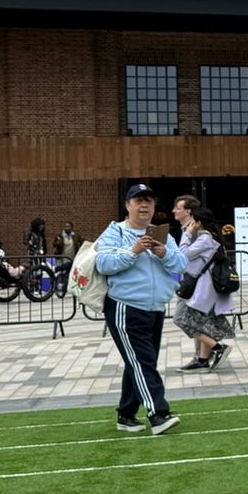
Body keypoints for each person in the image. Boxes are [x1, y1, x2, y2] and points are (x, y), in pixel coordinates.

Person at [95, 183, 186, 435]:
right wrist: (134, 251)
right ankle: (158, 413)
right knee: (143, 362)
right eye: (138, 201)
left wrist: (163, 252)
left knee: (138, 362)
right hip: (125, 306)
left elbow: (180, 265)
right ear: (128, 206)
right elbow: (104, 263)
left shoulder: (162, 234)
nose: (144, 205)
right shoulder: (116, 231)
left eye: (148, 201)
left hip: (155, 307)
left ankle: (126, 415)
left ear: (155, 206)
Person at [172, 195, 236, 372]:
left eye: (177, 208)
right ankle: (202, 359)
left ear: (193, 216)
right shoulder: (204, 236)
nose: (173, 211)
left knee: (182, 319)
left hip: (199, 287)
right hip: (199, 286)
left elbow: (183, 255)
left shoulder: (202, 237)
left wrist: (187, 234)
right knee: (200, 321)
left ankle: (217, 348)